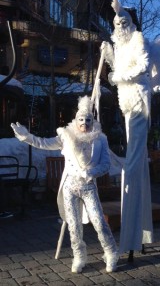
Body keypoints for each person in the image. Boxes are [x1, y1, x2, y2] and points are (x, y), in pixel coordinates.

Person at [11, 95, 119, 273]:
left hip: (89, 187)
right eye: (81, 120)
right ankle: (79, 255)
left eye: (88, 120)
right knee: (74, 225)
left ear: (93, 121)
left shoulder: (100, 139)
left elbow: (106, 164)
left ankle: (111, 252)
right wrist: (27, 137)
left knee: (99, 221)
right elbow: (43, 143)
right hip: (69, 187)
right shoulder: (66, 137)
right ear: (76, 121)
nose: (84, 123)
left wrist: (90, 172)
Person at [101, 0, 160, 255]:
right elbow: (118, 68)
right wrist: (110, 55)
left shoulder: (138, 39)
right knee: (138, 162)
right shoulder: (119, 44)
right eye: (116, 22)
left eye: (124, 21)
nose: (120, 26)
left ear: (131, 22)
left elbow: (141, 67)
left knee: (132, 166)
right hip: (126, 104)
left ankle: (130, 239)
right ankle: (142, 233)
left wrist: (117, 75)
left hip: (140, 103)